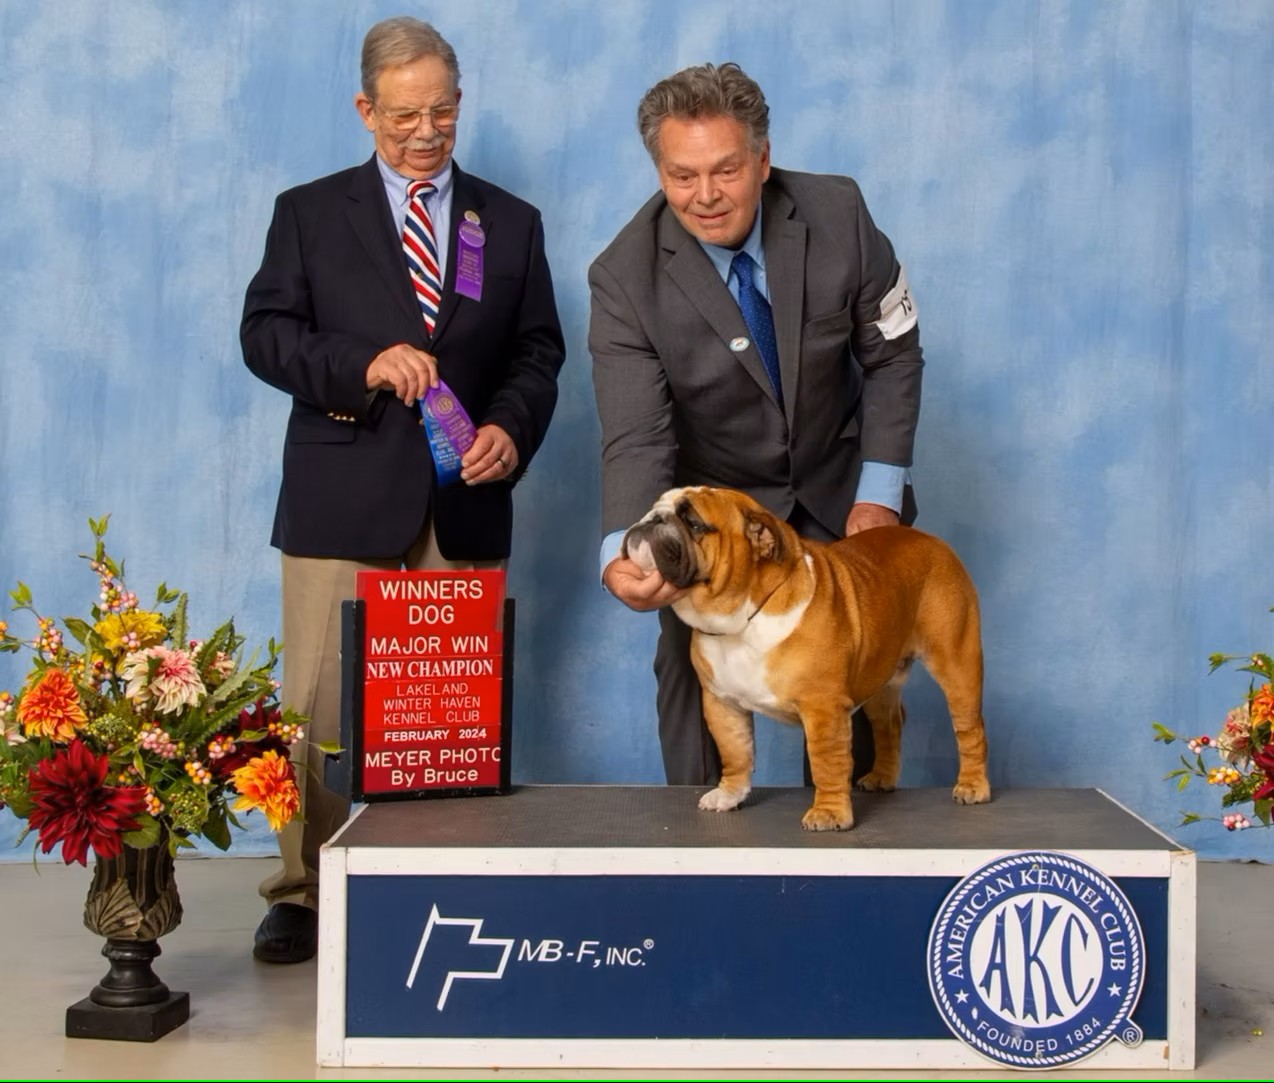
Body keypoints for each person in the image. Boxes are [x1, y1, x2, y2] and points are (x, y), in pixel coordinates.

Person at [242, 16, 565, 963]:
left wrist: (511, 427)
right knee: (320, 707)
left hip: (464, 494)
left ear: (460, 104)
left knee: (446, 704)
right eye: (402, 117)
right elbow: (265, 336)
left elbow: (538, 350)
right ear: (364, 110)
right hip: (344, 494)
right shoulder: (307, 211)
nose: (424, 133)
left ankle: (437, 871)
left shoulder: (507, 221)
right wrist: (361, 364)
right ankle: (302, 888)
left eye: (441, 113)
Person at [589, 62, 922, 787]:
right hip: (721, 524)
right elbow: (637, 435)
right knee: (687, 673)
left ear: (763, 160)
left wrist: (879, 496)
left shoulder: (840, 214)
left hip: (845, 494)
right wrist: (622, 548)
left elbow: (894, 359)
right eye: (681, 176)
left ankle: (848, 857)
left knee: (849, 692)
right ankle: (697, 859)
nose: (705, 196)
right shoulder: (622, 277)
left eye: (725, 170)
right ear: (659, 171)